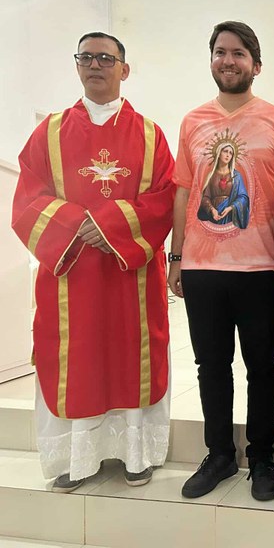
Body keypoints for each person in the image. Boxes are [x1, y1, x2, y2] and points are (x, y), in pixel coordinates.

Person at [11, 32, 175, 492]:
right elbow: (26, 200)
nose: (95, 64)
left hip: (130, 275)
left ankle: (134, 454)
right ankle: (74, 459)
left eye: (107, 57)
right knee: (75, 358)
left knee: (129, 356)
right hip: (72, 273)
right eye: (86, 57)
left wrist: (107, 225)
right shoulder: (50, 132)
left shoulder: (149, 133)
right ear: (77, 66)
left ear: (125, 69)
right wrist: (73, 227)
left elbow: (165, 198)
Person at [169, 21, 274, 501]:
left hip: (261, 266)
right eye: (220, 52)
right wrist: (177, 257)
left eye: (239, 53)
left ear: (256, 64)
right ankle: (220, 455)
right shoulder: (193, 121)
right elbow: (184, 190)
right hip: (204, 266)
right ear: (211, 60)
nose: (229, 60)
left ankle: (263, 456)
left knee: (263, 367)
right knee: (211, 366)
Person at [197, 142, 250, 228]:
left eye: (231, 153)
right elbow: (205, 197)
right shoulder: (211, 175)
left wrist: (231, 208)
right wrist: (212, 209)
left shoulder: (236, 176)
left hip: (230, 215)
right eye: (225, 151)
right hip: (214, 215)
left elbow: (243, 197)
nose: (228, 155)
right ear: (219, 153)